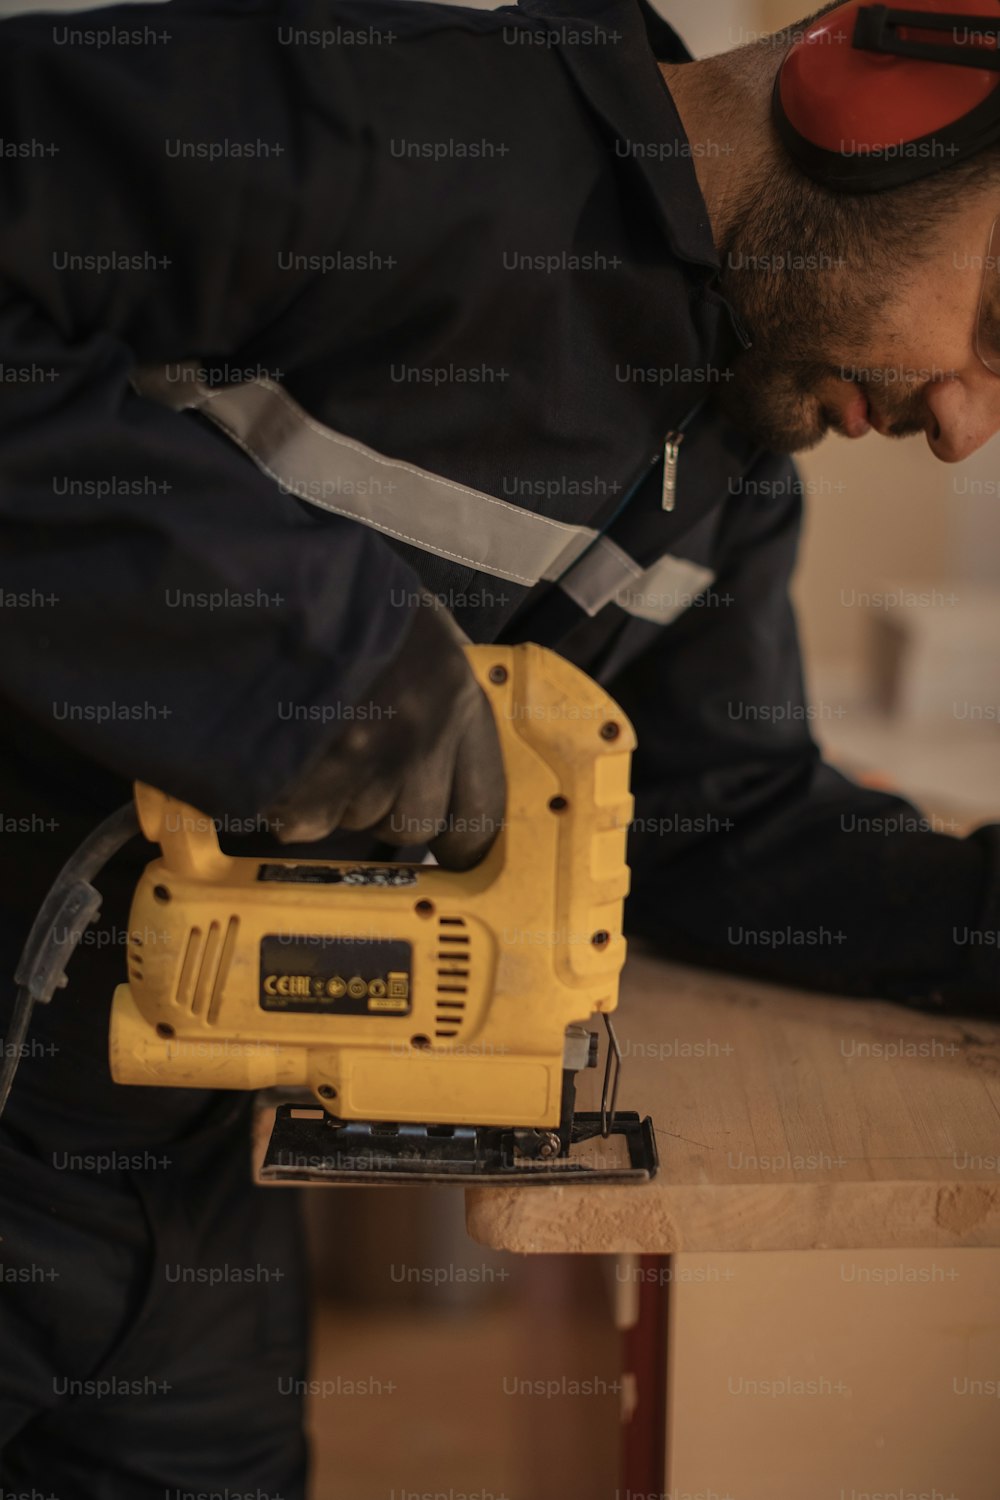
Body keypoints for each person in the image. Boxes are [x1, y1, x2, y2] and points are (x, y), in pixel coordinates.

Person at [1, 0, 997, 1491]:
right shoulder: (379, 126)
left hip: (169, 1160)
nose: (969, 425)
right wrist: (293, 646)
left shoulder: (727, 477)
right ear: (878, 106)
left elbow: (716, 826)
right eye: (998, 327)